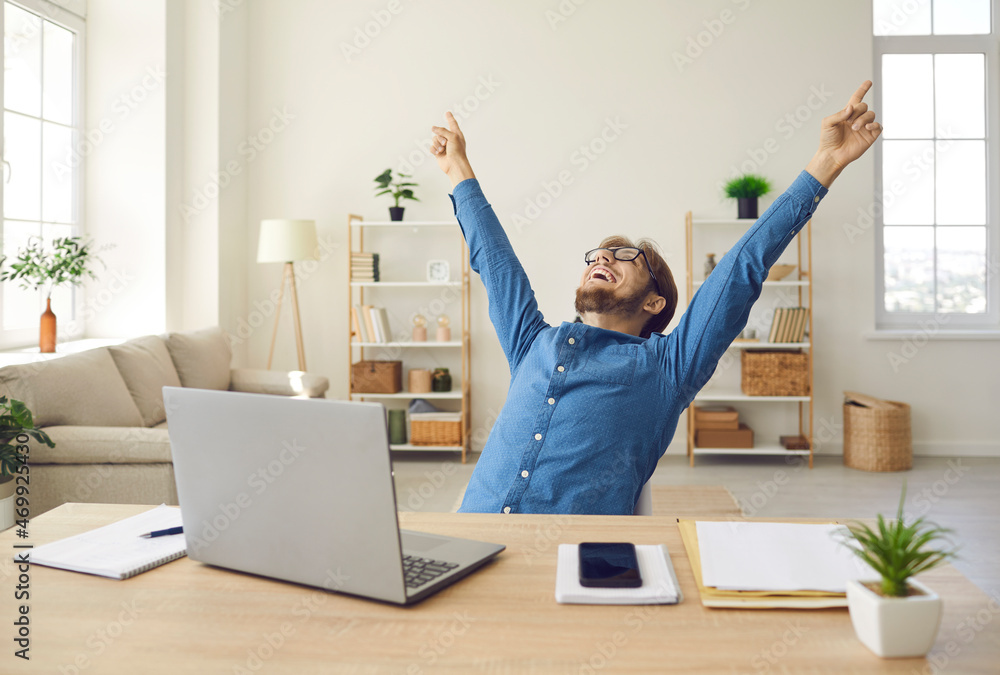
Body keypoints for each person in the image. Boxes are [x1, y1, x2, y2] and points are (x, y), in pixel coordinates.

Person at [430, 81, 882, 515]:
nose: (603, 256)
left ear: (654, 302)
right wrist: (457, 169)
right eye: (598, 254)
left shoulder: (668, 366)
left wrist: (825, 163)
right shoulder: (532, 343)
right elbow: (496, 262)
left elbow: (741, 269)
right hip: (474, 538)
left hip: (573, 556)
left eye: (627, 257)